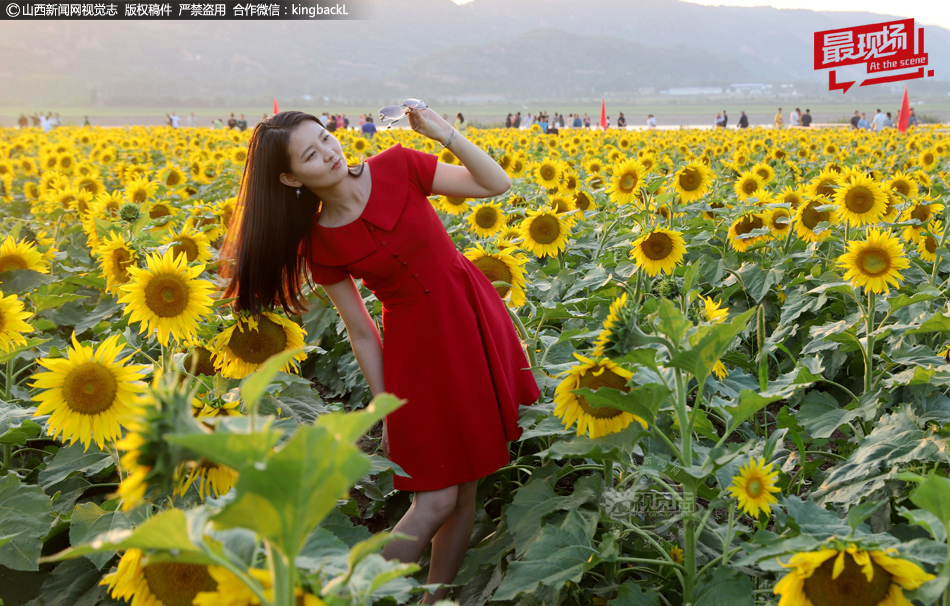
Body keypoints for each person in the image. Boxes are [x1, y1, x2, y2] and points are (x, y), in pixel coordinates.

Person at [221, 109, 539, 605]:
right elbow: (361, 332)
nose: (329, 152)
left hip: (472, 322)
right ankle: (347, 598)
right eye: (310, 154)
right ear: (289, 177)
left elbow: (495, 184)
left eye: (325, 139)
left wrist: (443, 134)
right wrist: (384, 405)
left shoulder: (399, 165)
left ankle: (435, 601)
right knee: (436, 498)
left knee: (467, 485)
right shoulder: (320, 242)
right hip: (417, 353)